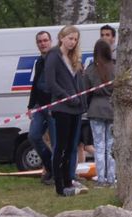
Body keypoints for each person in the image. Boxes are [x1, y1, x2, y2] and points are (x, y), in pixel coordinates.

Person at [45, 25, 88, 196]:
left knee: (72, 146)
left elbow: (78, 83)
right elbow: (51, 82)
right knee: (60, 146)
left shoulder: (74, 58)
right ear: (62, 37)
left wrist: (81, 101)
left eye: (75, 39)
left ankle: (69, 181)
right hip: (62, 107)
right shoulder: (54, 55)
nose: (73, 42)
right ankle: (59, 185)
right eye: (70, 38)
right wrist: (67, 96)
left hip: (76, 108)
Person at [84, 39, 116, 187]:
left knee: (99, 145)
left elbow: (85, 90)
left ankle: (101, 179)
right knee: (110, 146)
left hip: (95, 108)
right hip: (112, 109)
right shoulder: (115, 67)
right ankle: (111, 178)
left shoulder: (91, 69)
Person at [26, 30, 54, 183]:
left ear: (50, 41)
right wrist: (30, 106)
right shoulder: (39, 62)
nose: (43, 44)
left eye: (45, 40)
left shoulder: (56, 59)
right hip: (39, 106)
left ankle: (58, 173)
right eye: (40, 41)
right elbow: (35, 84)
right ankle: (49, 167)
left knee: (56, 142)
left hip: (54, 106)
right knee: (34, 135)